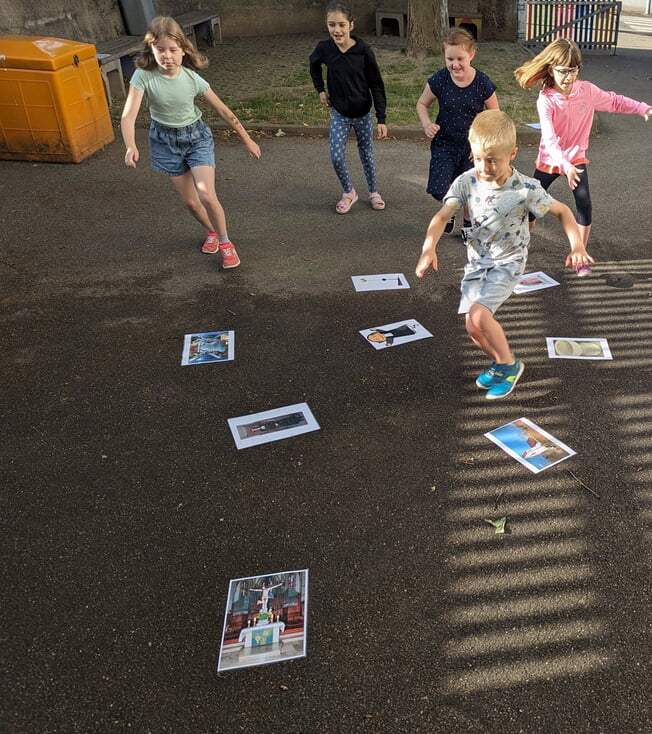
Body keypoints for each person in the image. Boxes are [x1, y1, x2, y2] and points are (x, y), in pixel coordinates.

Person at [415, 110, 593, 400]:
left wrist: (577, 246)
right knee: (473, 327)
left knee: (480, 315)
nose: (485, 167)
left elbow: (562, 211)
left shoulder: (525, 188)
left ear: (512, 153)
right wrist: (428, 248)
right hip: (477, 262)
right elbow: (441, 216)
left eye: (493, 160)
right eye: (479, 158)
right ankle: (501, 363)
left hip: (508, 262)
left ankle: (509, 365)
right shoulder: (466, 182)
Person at [120, 16, 261, 269]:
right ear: (151, 49)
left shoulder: (192, 79)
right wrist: (131, 145)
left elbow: (223, 111)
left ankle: (226, 244)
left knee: (207, 195)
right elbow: (129, 114)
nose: (167, 56)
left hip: (196, 138)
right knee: (191, 202)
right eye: (160, 49)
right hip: (165, 141)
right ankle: (211, 231)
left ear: (184, 50)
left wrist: (247, 138)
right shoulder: (143, 76)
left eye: (173, 50)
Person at [514, 38, 651, 276]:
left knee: (584, 205)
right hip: (551, 160)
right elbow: (549, 138)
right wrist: (563, 165)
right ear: (551, 69)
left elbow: (615, 101)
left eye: (573, 70)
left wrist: (642, 108)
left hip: (575, 160)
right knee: (532, 206)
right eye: (563, 71)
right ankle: (523, 242)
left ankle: (580, 255)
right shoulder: (546, 100)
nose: (568, 77)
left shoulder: (586, 91)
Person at [416, 27, 499, 235]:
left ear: (471, 55)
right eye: (449, 59)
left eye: (460, 58)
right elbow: (422, 103)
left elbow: (495, 116)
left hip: (472, 145)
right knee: (438, 189)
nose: (455, 64)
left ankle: (468, 224)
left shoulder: (482, 83)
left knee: (472, 188)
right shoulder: (441, 79)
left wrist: (483, 146)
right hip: (445, 142)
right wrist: (426, 124)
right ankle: (450, 208)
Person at [309, 1, 387, 214]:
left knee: (366, 154)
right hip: (340, 113)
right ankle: (349, 192)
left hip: (362, 113)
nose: (337, 30)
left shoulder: (363, 51)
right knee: (335, 156)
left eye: (341, 25)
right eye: (332, 24)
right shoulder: (324, 49)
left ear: (351, 25)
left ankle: (373, 191)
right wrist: (320, 90)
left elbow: (376, 85)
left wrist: (381, 118)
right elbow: (313, 65)